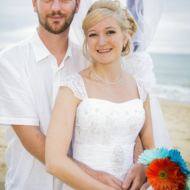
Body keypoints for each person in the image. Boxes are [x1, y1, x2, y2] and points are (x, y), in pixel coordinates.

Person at [0, 0, 150, 189]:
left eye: (64, 0)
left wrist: (141, 159)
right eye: (47, 0)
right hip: (31, 182)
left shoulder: (92, 58)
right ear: (34, 4)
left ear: (77, 5)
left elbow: (121, 112)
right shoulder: (10, 61)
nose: (56, 8)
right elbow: (30, 137)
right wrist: (92, 175)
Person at [45, 1, 156, 190]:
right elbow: (54, 162)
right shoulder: (72, 88)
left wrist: (145, 167)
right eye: (93, 35)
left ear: (126, 37)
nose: (101, 41)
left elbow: (151, 149)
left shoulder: (140, 89)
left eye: (110, 32)